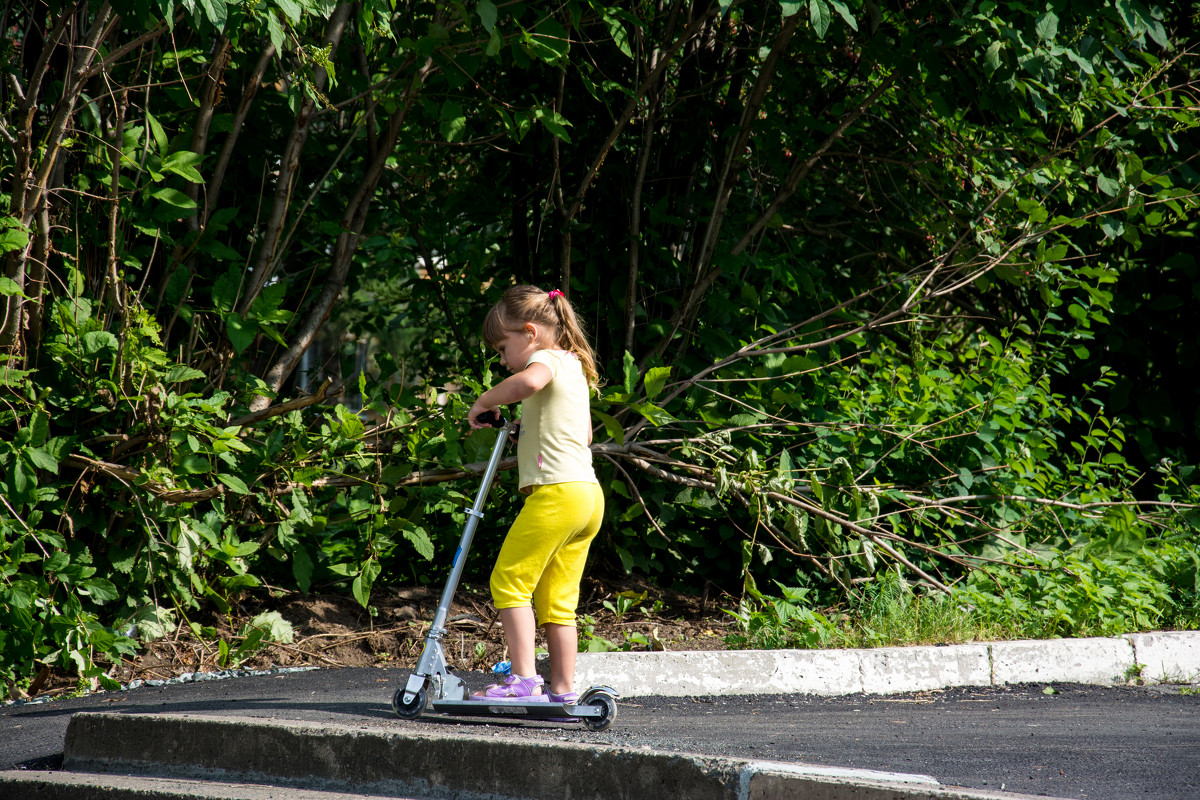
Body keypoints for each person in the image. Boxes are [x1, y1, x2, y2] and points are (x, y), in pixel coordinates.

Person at [466, 285, 603, 706]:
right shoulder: (574, 366)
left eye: (503, 348)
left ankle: (523, 680)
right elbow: (583, 434)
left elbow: (526, 381)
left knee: (508, 580)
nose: (502, 359)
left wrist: (483, 401)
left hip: (556, 494)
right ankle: (563, 691)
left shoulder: (544, 360)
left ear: (530, 332)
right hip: (587, 496)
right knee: (558, 602)